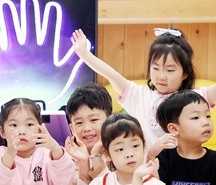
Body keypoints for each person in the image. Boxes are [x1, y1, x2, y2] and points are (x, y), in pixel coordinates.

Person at [71, 27, 216, 148]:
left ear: (185, 73)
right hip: (145, 168)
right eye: (156, 68)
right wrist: (84, 54)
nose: (161, 76)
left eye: (170, 70)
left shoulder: (194, 100)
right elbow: (110, 74)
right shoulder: (138, 95)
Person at [57, 83, 112, 185]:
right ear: (71, 128)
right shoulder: (69, 156)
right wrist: (82, 164)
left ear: (110, 120)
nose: (86, 128)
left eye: (94, 120)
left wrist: (95, 158)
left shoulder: (119, 151)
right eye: (79, 123)